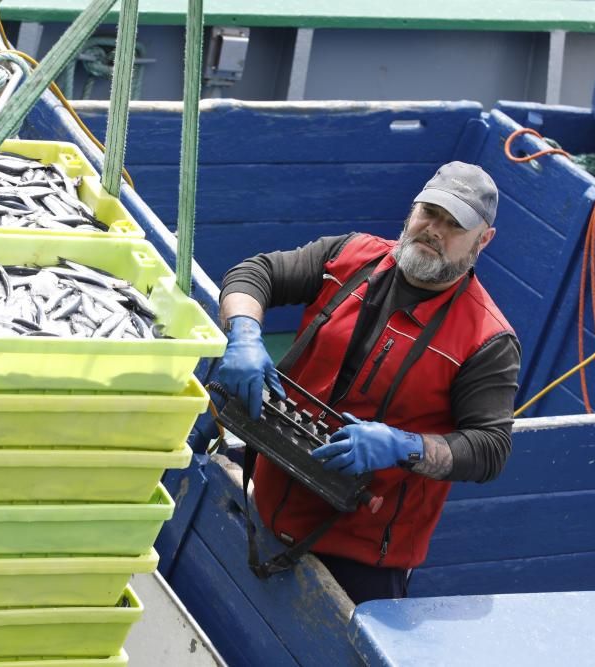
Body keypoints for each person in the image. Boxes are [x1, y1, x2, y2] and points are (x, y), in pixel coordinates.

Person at [200, 161, 520, 604]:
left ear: (483, 240)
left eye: (455, 225)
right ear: (412, 210)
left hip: (360, 559)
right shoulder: (349, 256)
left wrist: (404, 446)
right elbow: (256, 274)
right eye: (430, 212)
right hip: (266, 502)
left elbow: (490, 448)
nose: (435, 230)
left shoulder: (488, 340)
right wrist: (245, 334)